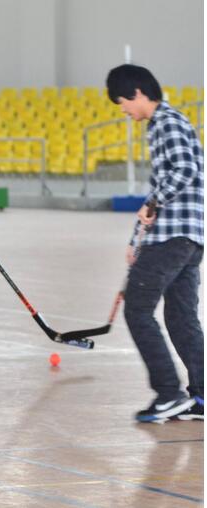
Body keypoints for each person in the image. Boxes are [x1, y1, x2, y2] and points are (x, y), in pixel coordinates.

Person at [106, 64, 204, 423]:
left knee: (137, 308)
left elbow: (185, 170)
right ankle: (200, 395)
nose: (123, 110)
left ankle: (169, 393)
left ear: (137, 93)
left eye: (122, 102)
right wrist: (137, 240)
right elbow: (165, 187)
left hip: (174, 236)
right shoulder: (164, 124)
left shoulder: (167, 122)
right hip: (186, 238)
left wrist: (153, 203)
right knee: (180, 317)